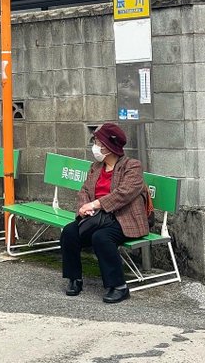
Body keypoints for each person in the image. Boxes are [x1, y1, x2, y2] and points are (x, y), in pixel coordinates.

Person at [60, 122, 149, 304]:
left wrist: (96, 204)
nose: (95, 147)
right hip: (97, 217)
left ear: (109, 147)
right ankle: (74, 279)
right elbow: (84, 190)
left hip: (124, 219)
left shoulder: (132, 166)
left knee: (101, 238)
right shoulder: (96, 167)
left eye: (98, 143)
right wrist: (85, 208)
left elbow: (124, 194)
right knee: (69, 232)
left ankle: (118, 286)